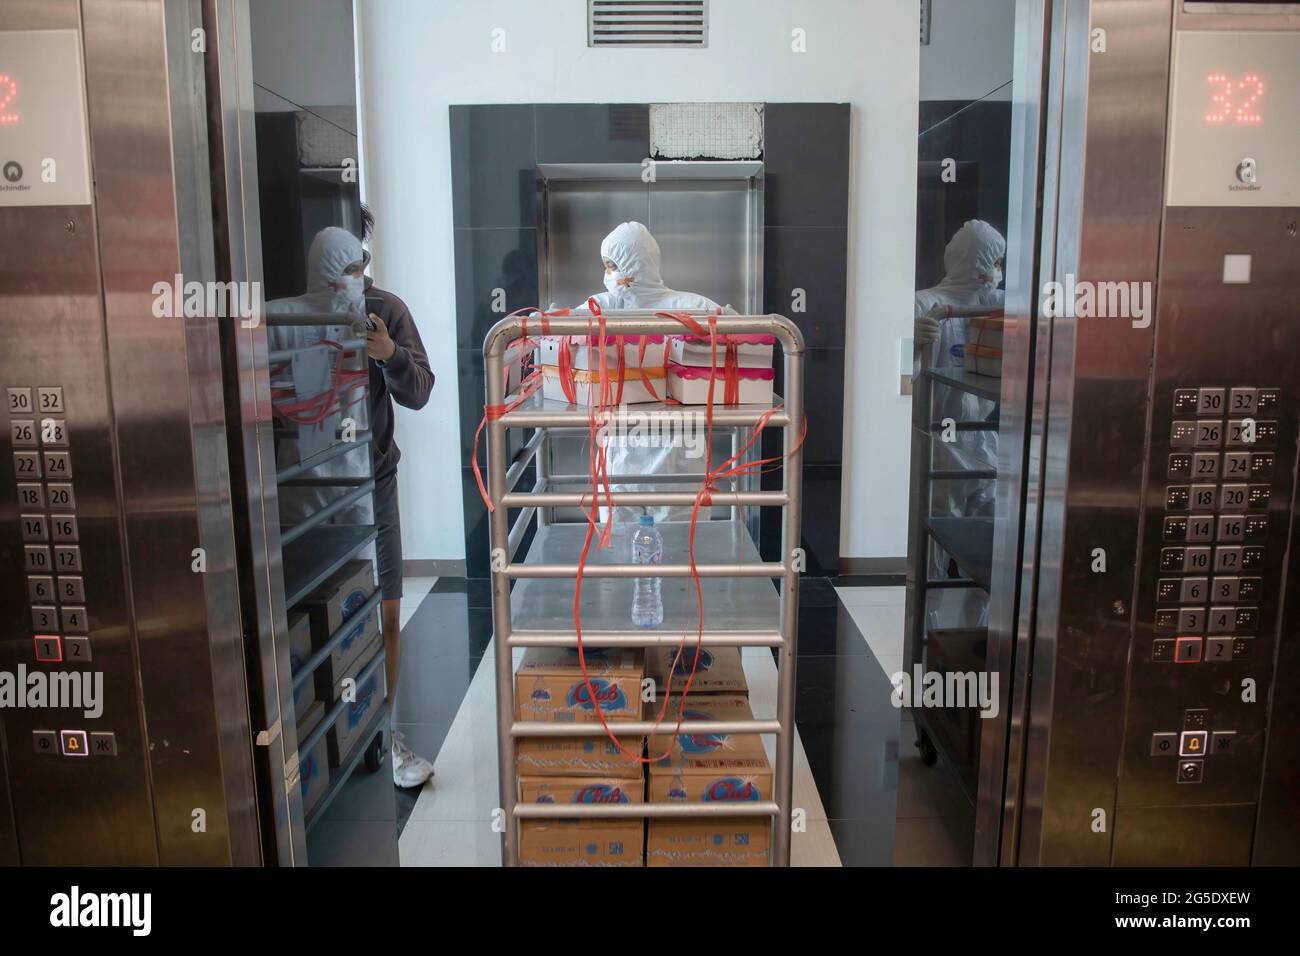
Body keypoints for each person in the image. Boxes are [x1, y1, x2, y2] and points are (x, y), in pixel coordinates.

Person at [268, 217, 437, 789]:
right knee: (308, 614)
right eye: (342, 272)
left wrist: (388, 354)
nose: (352, 283)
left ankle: (384, 732)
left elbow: (421, 390)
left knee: (386, 609)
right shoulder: (282, 318)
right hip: (303, 492)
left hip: (373, 481)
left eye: (359, 269)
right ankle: (318, 735)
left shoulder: (384, 310)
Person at [572, 221, 724, 523]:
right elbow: (559, 327)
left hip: (680, 447)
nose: (608, 275)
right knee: (620, 550)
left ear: (636, 264)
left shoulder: (691, 306)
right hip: (622, 447)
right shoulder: (601, 307)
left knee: (682, 545)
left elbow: (738, 331)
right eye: (606, 266)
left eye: (613, 265)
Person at [913, 219, 1006, 629]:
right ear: (980, 263)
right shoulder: (923, 304)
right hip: (940, 443)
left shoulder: (1003, 307)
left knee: (993, 549)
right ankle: (928, 633)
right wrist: (909, 342)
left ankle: (982, 635)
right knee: (935, 546)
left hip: (986, 443)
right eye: (995, 260)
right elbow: (897, 377)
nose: (999, 270)